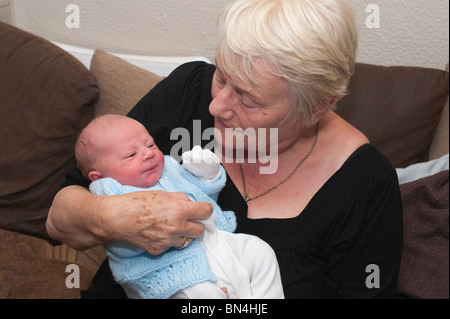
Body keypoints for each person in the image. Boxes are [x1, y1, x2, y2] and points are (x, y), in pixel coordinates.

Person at [47, 0, 403, 298]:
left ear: (317, 107)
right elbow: (59, 216)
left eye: (248, 98)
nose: (216, 106)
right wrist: (113, 218)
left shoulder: (366, 187)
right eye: (222, 75)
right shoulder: (189, 91)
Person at [74, 114, 284, 299]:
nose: (148, 154)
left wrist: (206, 173)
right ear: (98, 177)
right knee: (204, 293)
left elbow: (202, 194)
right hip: (171, 268)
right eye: (131, 155)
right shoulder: (109, 191)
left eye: (150, 145)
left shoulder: (169, 167)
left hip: (215, 240)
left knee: (259, 251)